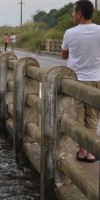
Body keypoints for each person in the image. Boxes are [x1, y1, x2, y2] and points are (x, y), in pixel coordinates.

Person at [61, 0, 100, 163]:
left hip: (76, 80)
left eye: (73, 12)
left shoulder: (70, 33)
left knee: (78, 117)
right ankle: (91, 153)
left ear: (79, 14)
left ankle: (82, 151)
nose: (72, 14)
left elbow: (64, 55)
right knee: (92, 117)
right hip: (96, 79)